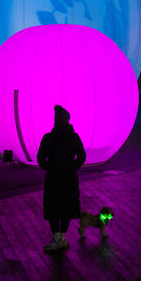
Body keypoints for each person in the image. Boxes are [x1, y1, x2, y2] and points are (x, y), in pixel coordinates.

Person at [38, 105, 86, 252]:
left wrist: (48, 167)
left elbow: (40, 157)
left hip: (53, 178)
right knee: (66, 206)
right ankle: (62, 238)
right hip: (69, 178)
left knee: (53, 207)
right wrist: (73, 167)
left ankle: (57, 238)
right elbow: (82, 156)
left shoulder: (48, 138)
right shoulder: (74, 137)